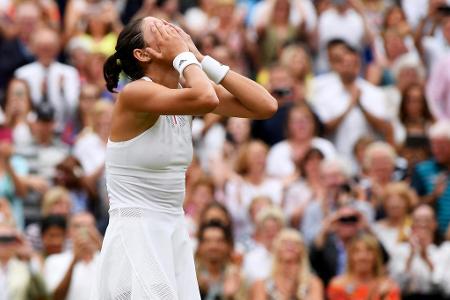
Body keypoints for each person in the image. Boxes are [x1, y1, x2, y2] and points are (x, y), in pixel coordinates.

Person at [92, 17, 277, 299]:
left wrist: (201, 58)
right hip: (136, 229)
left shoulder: (185, 89)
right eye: (159, 29)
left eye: (170, 25)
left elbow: (266, 105)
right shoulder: (135, 93)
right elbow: (206, 99)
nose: (172, 30)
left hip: (173, 229)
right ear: (142, 54)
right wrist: (184, 57)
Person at [251, 229, 324, 300]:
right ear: (277, 249)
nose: (290, 246)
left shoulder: (313, 283)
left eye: (296, 243)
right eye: (284, 242)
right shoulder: (262, 285)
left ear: (302, 250)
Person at [327, 234, 401, 300]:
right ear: (350, 256)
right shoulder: (338, 285)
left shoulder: (388, 286)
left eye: (369, 251)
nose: (362, 257)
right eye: (357, 251)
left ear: (376, 257)